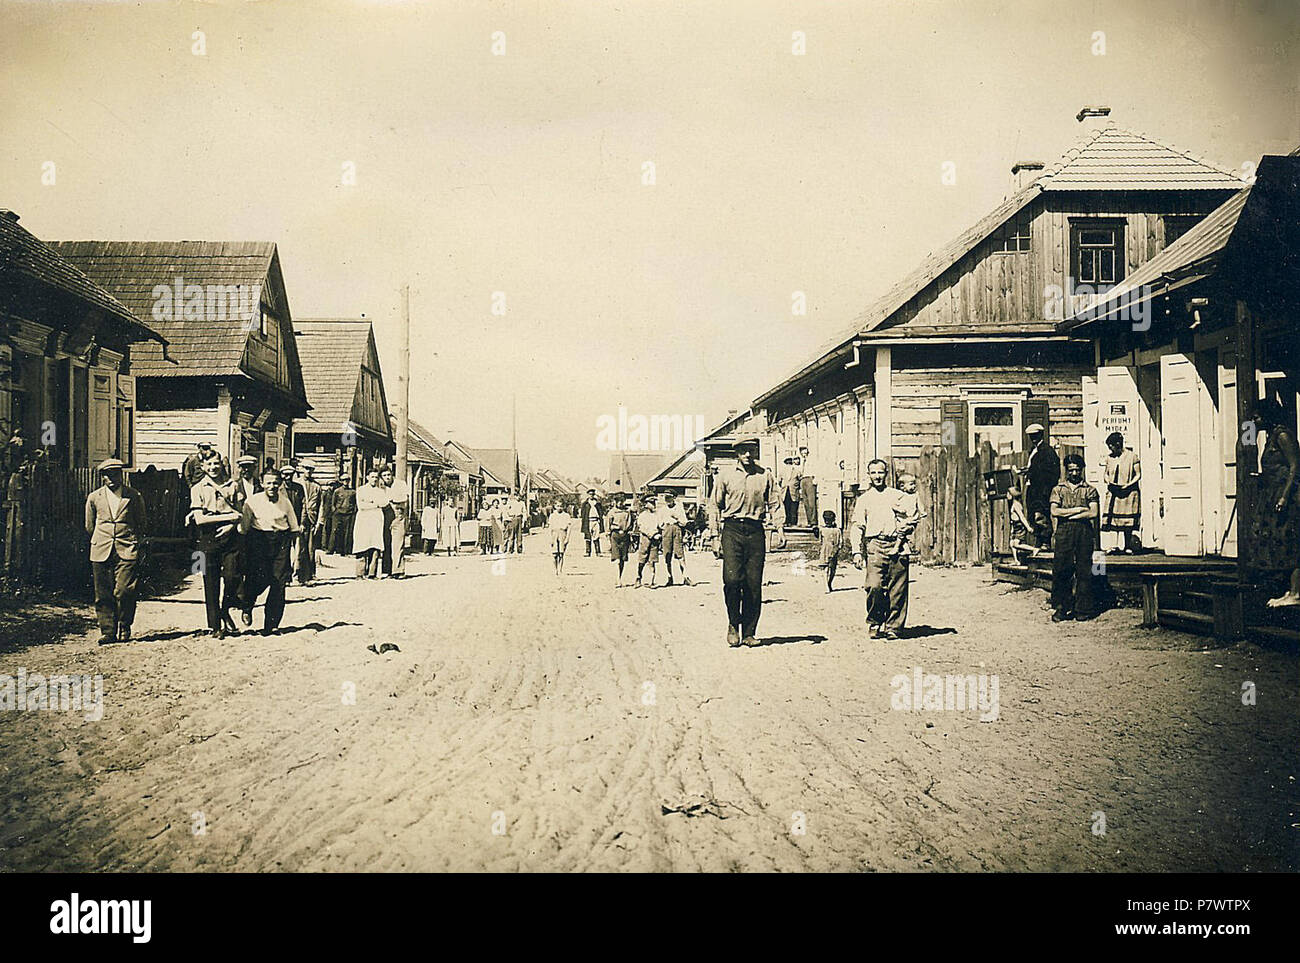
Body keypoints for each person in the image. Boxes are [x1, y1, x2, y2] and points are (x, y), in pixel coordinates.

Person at [709, 439, 782, 647]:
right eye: (744, 451)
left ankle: (749, 632)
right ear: (737, 454)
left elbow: (775, 503)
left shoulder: (764, 475)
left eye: (751, 451)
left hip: (755, 531)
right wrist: (715, 537)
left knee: (753, 584)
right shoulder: (725, 476)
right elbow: (714, 506)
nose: (748, 455)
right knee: (732, 581)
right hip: (731, 530)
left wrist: (780, 529)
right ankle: (733, 623)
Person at [85, 458, 147, 644]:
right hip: (101, 548)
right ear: (102, 477)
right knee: (103, 592)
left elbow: (141, 522)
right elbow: (89, 525)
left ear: (121, 474)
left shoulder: (133, 496)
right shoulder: (94, 497)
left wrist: (132, 540)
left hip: (126, 547)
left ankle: (124, 625)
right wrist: (101, 538)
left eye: (114, 473)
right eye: (107, 474)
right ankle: (108, 631)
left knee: (124, 590)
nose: (111, 478)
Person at [1249, 398, 1300, 607]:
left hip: (1287, 496)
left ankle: (1296, 593)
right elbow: (1247, 437)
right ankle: (1290, 590)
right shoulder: (1270, 436)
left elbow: (1295, 466)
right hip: (1272, 494)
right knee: (1283, 543)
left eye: (1257, 416)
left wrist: (1284, 496)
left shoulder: (1283, 436)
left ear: (1268, 415)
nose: (1254, 420)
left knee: (1293, 544)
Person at [850, 459, 908, 640]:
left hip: (898, 544)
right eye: (873, 472)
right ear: (868, 475)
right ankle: (875, 621)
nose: (877, 476)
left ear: (886, 474)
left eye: (881, 472)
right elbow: (857, 526)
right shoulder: (864, 499)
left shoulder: (898, 495)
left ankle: (893, 627)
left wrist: (906, 530)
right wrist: (856, 551)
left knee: (897, 588)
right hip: (875, 545)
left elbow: (911, 517)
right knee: (874, 586)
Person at [188, 451, 244, 638]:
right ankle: (215, 625)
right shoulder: (197, 488)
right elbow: (200, 519)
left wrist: (231, 525)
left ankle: (225, 610)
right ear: (203, 467)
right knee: (210, 581)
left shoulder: (233, 486)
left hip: (230, 536)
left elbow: (241, 513)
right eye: (209, 464)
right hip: (207, 537)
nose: (213, 467)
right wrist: (230, 518)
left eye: (216, 463)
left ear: (222, 465)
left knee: (232, 576)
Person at [238, 466, 301, 635]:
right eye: (268, 483)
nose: (272, 486)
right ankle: (247, 606)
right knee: (257, 580)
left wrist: (297, 557)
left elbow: (295, 530)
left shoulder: (285, 502)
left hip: (280, 542)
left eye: (275, 483)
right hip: (258, 542)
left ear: (280, 484)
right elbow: (243, 529)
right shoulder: (252, 502)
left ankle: (271, 625)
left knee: (278, 584)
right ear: (262, 483)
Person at [1050, 453, 1100, 622]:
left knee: (1084, 570)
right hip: (1064, 533)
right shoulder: (1058, 489)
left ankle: (1082, 609)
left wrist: (1069, 514)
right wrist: (1079, 510)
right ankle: (1062, 608)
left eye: (1077, 470)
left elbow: (1093, 513)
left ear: (1082, 470)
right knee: (1062, 569)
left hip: (1084, 532)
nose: (1074, 473)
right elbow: (1054, 511)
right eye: (1071, 470)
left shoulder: (1090, 490)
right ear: (1066, 471)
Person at [1016, 424, 1059, 549]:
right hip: (1033, 488)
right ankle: (1039, 541)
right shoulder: (1034, 450)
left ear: (1041, 435)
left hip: (1042, 489)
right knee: (1033, 515)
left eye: (1035, 435)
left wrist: (1046, 489)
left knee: (1040, 515)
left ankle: (1045, 542)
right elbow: (1035, 468)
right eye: (1031, 436)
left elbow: (1051, 472)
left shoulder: (1047, 451)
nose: (1033, 438)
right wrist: (1028, 470)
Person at [1101, 431, 1142, 554]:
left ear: (1118, 444)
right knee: (1113, 521)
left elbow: (1138, 474)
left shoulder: (1132, 456)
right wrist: (1108, 481)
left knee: (1127, 521)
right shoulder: (1109, 458)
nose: (1110, 449)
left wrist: (1128, 485)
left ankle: (1128, 546)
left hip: (1129, 492)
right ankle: (1114, 546)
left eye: (1111, 446)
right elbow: (1106, 473)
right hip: (1114, 492)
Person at [353, 468, 386, 579]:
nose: (374, 479)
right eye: (372, 477)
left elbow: (384, 503)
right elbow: (361, 506)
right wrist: (375, 504)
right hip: (364, 521)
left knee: (375, 546)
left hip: (376, 521)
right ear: (367, 477)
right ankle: (360, 573)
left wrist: (370, 503)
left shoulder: (381, 491)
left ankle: (372, 573)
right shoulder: (361, 490)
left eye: (376, 477)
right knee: (362, 545)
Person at [380, 465, 410, 578]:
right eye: (384, 476)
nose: (387, 477)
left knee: (398, 544)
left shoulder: (401, 484)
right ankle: (387, 570)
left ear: (392, 474)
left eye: (388, 474)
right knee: (386, 544)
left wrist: (392, 500)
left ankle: (398, 570)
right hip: (385, 517)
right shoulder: (381, 486)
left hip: (398, 516)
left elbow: (405, 499)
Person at [296, 466, 322, 582]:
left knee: (311, 548)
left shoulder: (316, 486)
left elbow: (321, 505)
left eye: (311, 469)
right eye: (306, 469)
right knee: (299, 548)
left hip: (311, 519)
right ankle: (297, 573)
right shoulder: (297, 484)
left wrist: (319, 522)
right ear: (302, 469)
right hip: (298, 519)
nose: (308, 471)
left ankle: (310, 574)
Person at [659, 492, 691, 586]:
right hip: (667, 530)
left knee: (680, 554)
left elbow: (684, 522)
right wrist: (664, 526)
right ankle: (669, 578)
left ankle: (686, 577)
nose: (668, 501)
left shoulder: (679, 508)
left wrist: (676, 518)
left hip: (677, 529)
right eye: (666, 498)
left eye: (669, 498)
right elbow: (659, 523)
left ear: (674, 498)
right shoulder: (662, 510)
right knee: (667, 555)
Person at [1006, 482, 1040, 564]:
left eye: (1008, 494)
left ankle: (1034, 549)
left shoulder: (1016, 505)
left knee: (1016, 544)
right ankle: (1016, 561)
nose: (1007, 495)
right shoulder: (1013, 504)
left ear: (1012, 495)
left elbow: (1022, 517)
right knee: (1011, 544)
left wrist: (1028, 527)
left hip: (1020, 526)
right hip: (1015, 526)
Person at [606, 493, 635, 587]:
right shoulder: (612, 512)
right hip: (615, 535)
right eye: (618, 501)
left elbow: (631, 523)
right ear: (615, 502)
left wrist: (629, 531)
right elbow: (608, 525)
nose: (620, 503)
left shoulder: (627, 512)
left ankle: (619, 577)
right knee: (617, 559)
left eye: (621, 501)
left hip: (625, 536)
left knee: (623, 559)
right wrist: (608, 537)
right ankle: (618, 579)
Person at [634, 495, 662, 588]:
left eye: (654, 503)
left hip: (655, 540)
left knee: (652, 560)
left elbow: (659, 526)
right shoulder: (642, 516)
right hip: (645, 539)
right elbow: (642, 528)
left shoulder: (656, 515)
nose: (653, 505)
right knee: (642, 559)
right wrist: (652, 534)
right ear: (646, 504)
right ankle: (638, 577)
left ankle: (651, 581)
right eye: (651, 503)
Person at [331, 477, 356, 555]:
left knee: (347, 533)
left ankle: (346, 551)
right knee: (335, 531)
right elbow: (333, 503)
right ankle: (332, 549)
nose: (346, 481)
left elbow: (355, 503)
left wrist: (353, 512)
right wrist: (335, 511)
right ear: (341, 481)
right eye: (344, 480)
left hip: (348, 514)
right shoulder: (337, 491)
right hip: (338, 514)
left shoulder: (353, 492)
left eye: (347, 480)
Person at [547, 502, 574, 574]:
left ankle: (560, 569)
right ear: (555, 506)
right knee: (555, 554)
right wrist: (550, 538)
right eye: (558, 506)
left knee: (561, 553)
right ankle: (555, 569)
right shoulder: (552, 515)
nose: (559, 508)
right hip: (554, 533)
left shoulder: (566, 515)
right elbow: (550, 528)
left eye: (561, 506)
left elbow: (569, 527)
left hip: (562, 533)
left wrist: (567, 538)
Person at [820, 509, 841, 593]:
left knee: (832, 570)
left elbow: (840, 542)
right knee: (825, 569)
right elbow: (820, 541)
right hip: (825, 551)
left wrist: (837, 549)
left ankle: (829, 583)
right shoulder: (823, 530)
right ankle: (826, 586)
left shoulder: (837, 530)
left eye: (829, 520)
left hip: (834, 551)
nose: (827, 522)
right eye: (826, 520)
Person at [581, 489, 604, 556]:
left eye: (593, 494)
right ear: (588, 495)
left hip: (596, 521)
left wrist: (600, 520)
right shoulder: (585, 504)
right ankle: (588, 552)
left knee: (596, 537)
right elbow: (583, 513)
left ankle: (598, 552)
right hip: (588, 521)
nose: (591, 495)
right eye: (590, 494)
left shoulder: (597, 503)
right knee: (587, 537)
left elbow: (601, 512)